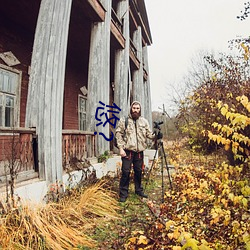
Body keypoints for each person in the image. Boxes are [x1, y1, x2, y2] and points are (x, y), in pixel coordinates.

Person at [115, 101, 157, 202]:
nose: (136, 110)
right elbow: (118, 134)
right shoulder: (124, 120)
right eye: (134, 108)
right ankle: (123, 193)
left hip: (139, 152)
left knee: (138, 171)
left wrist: (156, 136)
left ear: (140, 110)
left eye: (138, 108)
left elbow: (149, 135)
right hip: (127, 151)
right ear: (131, 109)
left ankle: (138, 190)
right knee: (125, 171)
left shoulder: (144, 121)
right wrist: (120, 148)